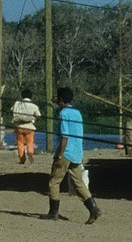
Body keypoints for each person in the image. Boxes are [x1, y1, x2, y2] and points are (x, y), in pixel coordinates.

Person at [44, 86, 102, 224]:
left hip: (66, 152)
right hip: (77, 152)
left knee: (54, 181)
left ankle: (53, 212)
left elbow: (65, 137)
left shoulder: (64, 114)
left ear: (61, 100)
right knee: (78, 182)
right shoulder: (76, 112)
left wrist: (59, 156)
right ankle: (93, 208)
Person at [11, 89, 40, 165]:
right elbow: (38, 115)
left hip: (19, 126)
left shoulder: (17, 104)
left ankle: (22, 158)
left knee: (20, 143)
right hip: (29, 126)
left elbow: (11, 110)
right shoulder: (33, 106)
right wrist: (34, 120)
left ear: (22, 96)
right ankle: (30, 153)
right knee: (30, 142)